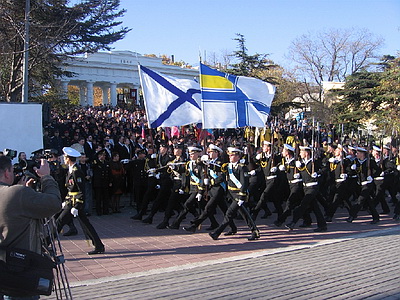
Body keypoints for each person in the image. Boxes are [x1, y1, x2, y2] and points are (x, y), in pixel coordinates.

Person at [0, 155, 62, 300]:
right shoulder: (17, 194)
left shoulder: (16, 193)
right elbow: (54, 203)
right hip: (18, 273)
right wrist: (46, 177)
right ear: (7, 173)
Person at [55, 147, 105, 255]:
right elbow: (70, 189)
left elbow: (81, 191)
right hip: (70, 202)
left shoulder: (77, 172)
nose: (64, 159)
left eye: (65, 157)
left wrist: (77, 206)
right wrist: (66, 200)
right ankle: (99, 246)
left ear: (68, 159)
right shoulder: (70, 170)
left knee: (59, 222)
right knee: (86, 225)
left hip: (74, 203)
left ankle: (44, 244)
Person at [209, 147, 260, 241]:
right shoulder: (228, 166)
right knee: (245, 214)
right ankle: (255, 231)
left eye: (232, 155)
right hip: (231, 194)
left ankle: (217, 233)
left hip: (238, 194)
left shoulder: (242, 167)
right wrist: (208, 164)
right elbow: (218, 169)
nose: (230, 157)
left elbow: (244, 183)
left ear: (237, 156)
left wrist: (241, 196)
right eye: (229, 155)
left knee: (229, 214)